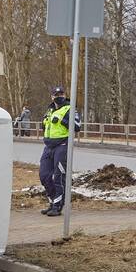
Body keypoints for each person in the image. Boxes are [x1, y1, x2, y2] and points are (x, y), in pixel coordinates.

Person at [39, 86, 78, 217]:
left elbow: (77, 126)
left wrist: (62, 120)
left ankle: (58, 206)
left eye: (61, 94)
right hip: (48, 146)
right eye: (56, 95)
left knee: (59, 176)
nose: (59, 96)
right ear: (52, 96)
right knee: (44, 175)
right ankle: (52, 201)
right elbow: (44, 126)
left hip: (62, 145)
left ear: (65, 95)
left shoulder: (69, 108)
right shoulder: (49, 110)